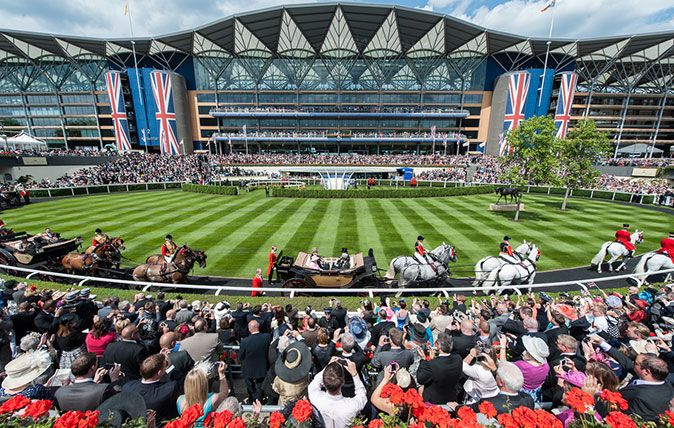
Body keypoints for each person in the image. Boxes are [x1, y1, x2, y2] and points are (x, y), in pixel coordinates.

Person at [308, 358, 367, 428]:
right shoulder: (351, 406)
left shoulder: (315, 398)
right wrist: (355, 374)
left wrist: (327, 367)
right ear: (343, 382)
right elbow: (362, 396)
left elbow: (315, 382)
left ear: (323, 382)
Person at [122, 353, 179, 423]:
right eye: (165, 365)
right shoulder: (169, 389)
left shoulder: (128, 387)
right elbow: (178, 378)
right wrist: (169, 366)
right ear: (160, 372)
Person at [55, 353, 121, 411]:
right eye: (97, 364)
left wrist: (94, 383)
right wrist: (114, 380)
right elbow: (119, 400)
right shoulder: (103, 389)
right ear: (92, 368)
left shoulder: (59, 392)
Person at [177, 363, 230, 427]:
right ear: (204, 384)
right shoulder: (212, 400)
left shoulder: (180, 400)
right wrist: (221, 374)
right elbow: (224, 393)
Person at [416, 332, 462, 404]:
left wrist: (423, 360)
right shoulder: (458, 359)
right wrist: (434, 360)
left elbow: (420, 379)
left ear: (439, 346)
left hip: (434, 402)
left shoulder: (432, 364)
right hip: (451, 398)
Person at [239, 320, 272, 403]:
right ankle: (258, 399)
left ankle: (253, 399)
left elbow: (240, 356)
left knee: (250, 386)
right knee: (260, 385)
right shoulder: (267, 337)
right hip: (262, 366)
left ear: (249, 329)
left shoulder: (245, 341)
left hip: (249, 367)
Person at [272, 341, 312, 406]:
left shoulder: (279, 379)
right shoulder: (304, 376)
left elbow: (275, 388)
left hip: (284, 404)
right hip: (300, 404)